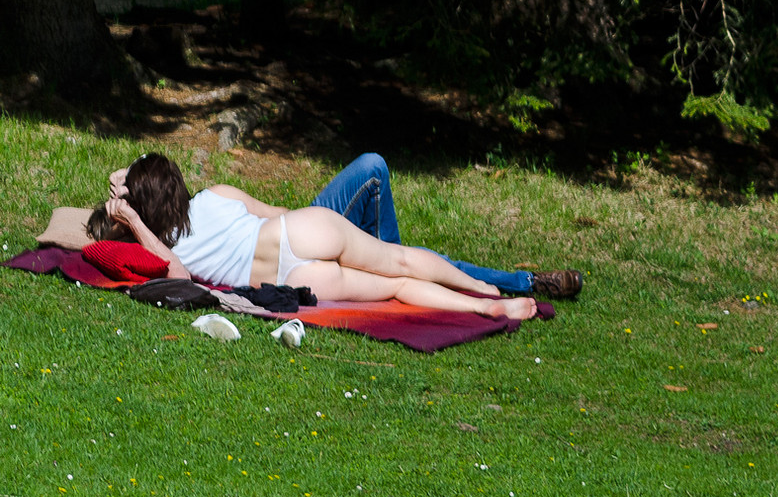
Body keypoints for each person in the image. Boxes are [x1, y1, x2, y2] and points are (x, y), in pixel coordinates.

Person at [97, 154, 553, 321]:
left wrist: (134, 223)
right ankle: (485, 287)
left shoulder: (161, 248)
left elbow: (176, 276)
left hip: (294, 277)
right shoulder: (214, 196)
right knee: (399, 261)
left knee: (394, 288)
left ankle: (483, 308)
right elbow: (280, 213)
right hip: (298, 230)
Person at [307, 153, 582, 300]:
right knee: (431, 266)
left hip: (301, 226)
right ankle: (526, 282)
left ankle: (396, 259)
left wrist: (289, 218)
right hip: (300, 255)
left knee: (372, 166)